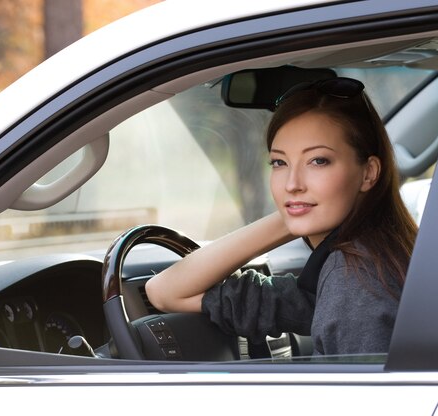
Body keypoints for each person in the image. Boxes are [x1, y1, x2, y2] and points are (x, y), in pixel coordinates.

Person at [145, 77, 418, 356]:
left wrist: (299, 210)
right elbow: (164, 291)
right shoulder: (368, 262)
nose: (292, 183)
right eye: (280, 162)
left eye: (318, 161)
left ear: (369, 172)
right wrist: (297, 211)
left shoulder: (354, 279)